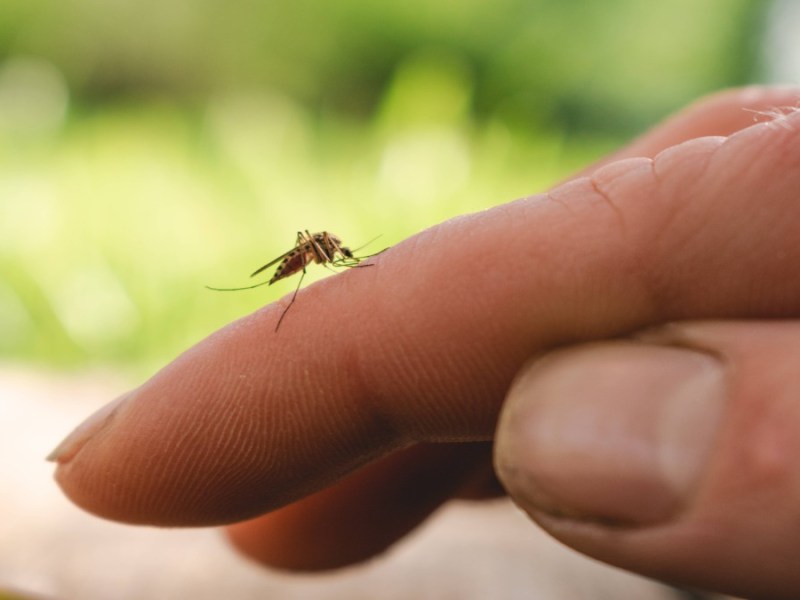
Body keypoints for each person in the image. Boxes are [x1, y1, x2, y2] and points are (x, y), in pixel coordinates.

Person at [48, 86, 800, 599]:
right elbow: (313, 253)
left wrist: (346, 259)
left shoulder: (329, 253)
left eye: (321, 249)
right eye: (322, 249)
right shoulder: (306, 258)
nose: (322, 251)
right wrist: (300, 269)